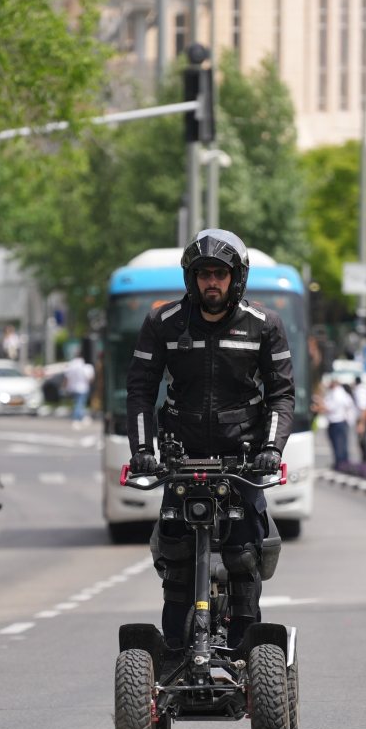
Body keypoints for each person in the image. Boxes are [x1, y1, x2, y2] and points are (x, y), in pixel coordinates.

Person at [125, 228, 294, 653]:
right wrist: (144, 452)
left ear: (237, 277)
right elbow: (141, 391)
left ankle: (245, 655)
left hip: (242, 458)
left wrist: (271, 451)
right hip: (182, 456)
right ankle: (176, 655)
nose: (211, 282)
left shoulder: (264, 325)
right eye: (203, 274)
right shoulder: (162, 323)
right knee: (176, 558)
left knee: (243, 558)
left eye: (220, 273)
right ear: (191, 278)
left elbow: (281, 395)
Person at [317, 378, 355, 469]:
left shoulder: (336, 394)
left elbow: (330, 407)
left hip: (336, 421)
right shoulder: (341, 393)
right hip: (341, 421)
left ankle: (340, 464)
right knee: (342, 444)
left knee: (338, 445)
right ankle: (343, 463)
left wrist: (320, 406)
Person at [64, 355, 95, 428]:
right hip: (82, 388)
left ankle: (82, 417)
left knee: (78, 403)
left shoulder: (71, 366)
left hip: (72, 388)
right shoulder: (86, 367)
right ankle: (76, 418)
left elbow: (67, 378)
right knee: (79, 404)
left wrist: (65, 387)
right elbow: (89, 378)